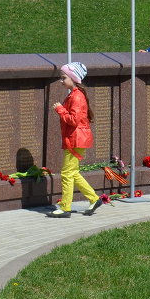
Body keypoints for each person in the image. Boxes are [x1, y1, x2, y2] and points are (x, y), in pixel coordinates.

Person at [49, 62, 103, 217]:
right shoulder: (74, 94)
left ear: (73, 78)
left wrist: (60, 109)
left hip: (75, 139)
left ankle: (65, 208)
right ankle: (93, 199)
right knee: (73, 172)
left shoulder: (77, 96)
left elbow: (73, 120)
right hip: (75, 138)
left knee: (66, 173)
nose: (61, 80)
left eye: (63, 77)